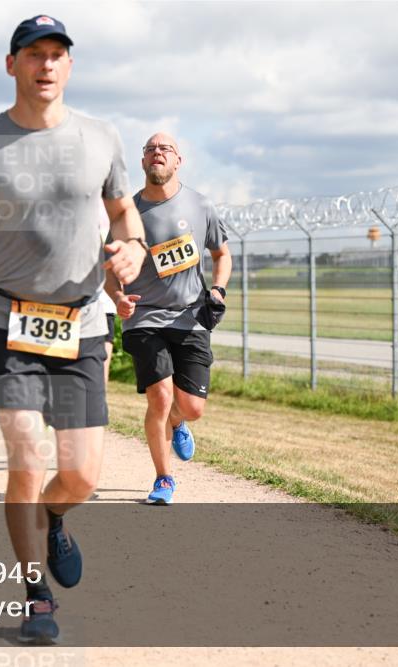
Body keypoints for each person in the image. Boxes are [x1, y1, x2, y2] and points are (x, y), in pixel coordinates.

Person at [0, 15, 146, 643]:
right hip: (5, 320)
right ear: (12, 64)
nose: (46, 65)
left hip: (80, 324)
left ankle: (54, 515)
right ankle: (36, 594)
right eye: (33, 54)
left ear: (69, 66)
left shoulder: (101, 138)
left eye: (56, 55)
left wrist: (131, 249)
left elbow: (125, 215)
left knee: (81, 476)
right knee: (25, 450)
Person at [107, 131, 232, 505]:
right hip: (144, 317)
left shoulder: (200, 206)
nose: (157, 153)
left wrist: (218, 290)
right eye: (150, 149)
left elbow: (221, 255)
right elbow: (109, 267)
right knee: (159, 398)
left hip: (191, 316)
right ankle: (164, 479)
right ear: (143, 162)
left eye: (165, 149)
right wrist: (117, 298)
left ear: (179, 161)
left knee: (191, 408)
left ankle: (178, 423)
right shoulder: (126, 213)